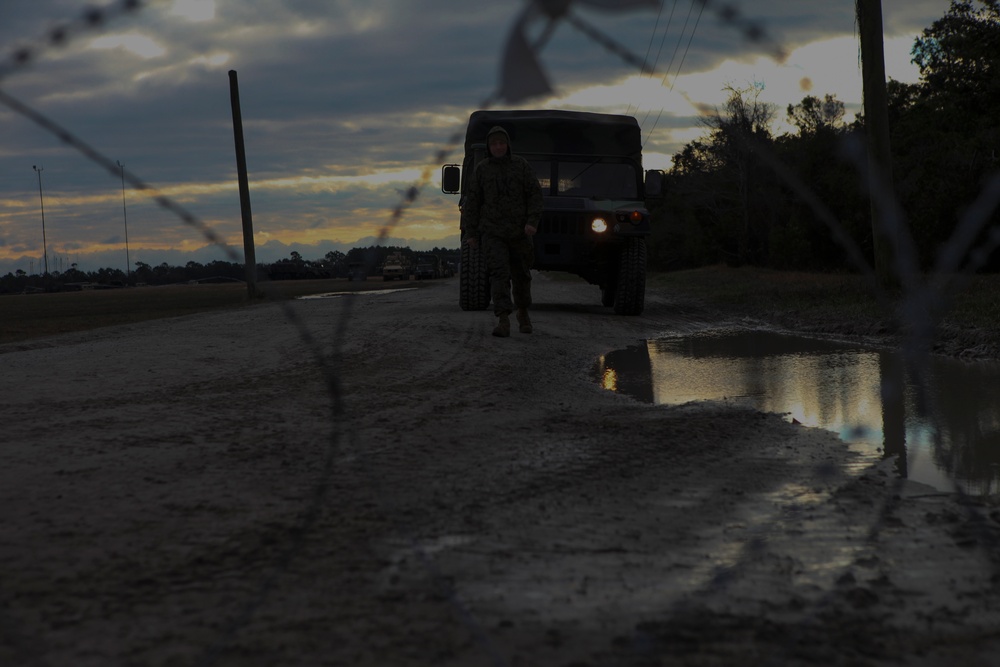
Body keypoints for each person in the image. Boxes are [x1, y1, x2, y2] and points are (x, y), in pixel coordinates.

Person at [462, 126, 544, 337]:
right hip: (493, 232)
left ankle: (523, 312)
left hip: (520, 233)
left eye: (501, 143)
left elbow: (534, 195)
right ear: (489, 147)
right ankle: (503, 319)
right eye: (494, 144)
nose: (498, 147)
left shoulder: (521, 166)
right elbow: (473, 203)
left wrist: (532, 222)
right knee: (499, 274)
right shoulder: (482, 169)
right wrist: (470, 233)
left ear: (507, 145)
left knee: (522, 276)